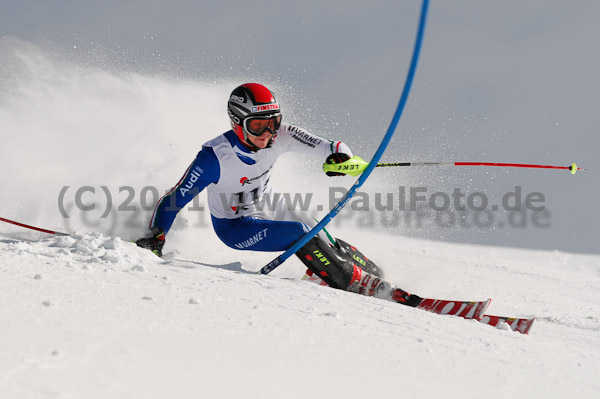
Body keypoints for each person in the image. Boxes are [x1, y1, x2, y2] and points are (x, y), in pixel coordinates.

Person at [136, 83, 419, 304]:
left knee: (318, 232)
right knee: (300, 232)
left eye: (273, 122)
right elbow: (175, 198)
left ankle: (374, 274)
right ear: (238, 123)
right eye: (258, 126)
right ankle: (351, 281)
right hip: (235, 226)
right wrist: (156, 235)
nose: (268, 133)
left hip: (271, 204)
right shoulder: (214, 158)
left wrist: (341, 159)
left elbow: (330, 145)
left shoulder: (280, 135)